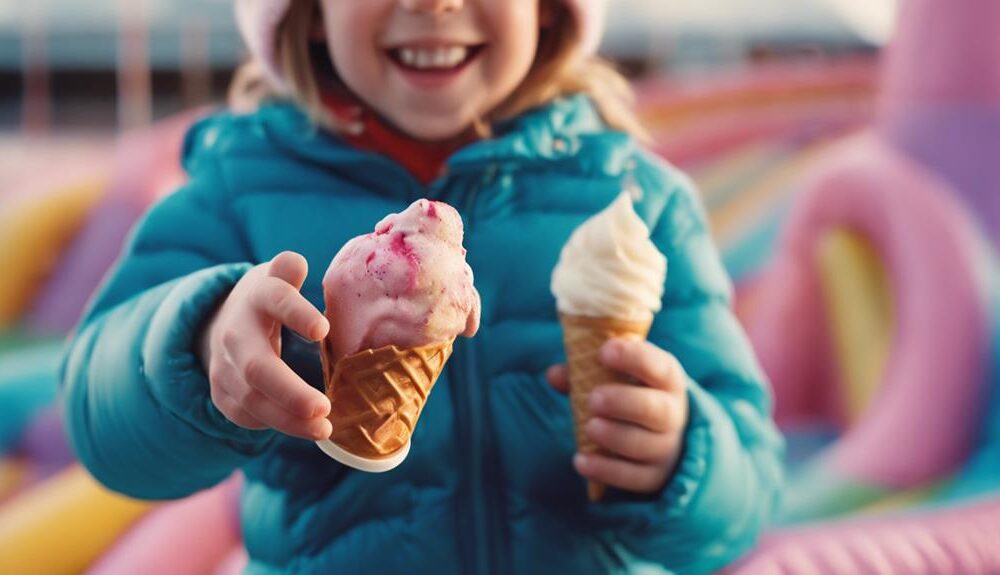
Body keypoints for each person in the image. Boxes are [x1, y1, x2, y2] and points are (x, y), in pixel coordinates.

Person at [60, 0, 783, 573]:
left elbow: (748, 494)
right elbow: (100, 425)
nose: (431, 3)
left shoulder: (637, 201)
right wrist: (198, 342)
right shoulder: (238, 191)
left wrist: (685, 458)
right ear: (307, 10)